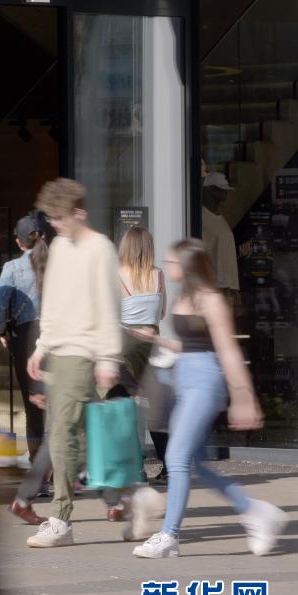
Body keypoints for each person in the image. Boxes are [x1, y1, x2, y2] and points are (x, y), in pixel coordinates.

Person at [131, 240, 287, 559]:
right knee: (197, 465)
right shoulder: (183, 296)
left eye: (172, 262)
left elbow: (226, 350)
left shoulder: (211, 300)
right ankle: (258, 513)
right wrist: (158, 339)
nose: (167, 266)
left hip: (205, 383)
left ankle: (169, 535)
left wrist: (244, 398)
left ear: (187, 265)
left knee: (175, 457)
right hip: (184, 380)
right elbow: (188, 346)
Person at [25, 178, 121, 548]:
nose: (56, 225)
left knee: (63, 432)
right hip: (60, 351)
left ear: (79, 212)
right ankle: (128, 494)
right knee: (75, 435)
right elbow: (53, 301)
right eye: (51, 219)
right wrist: (41, 346)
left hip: (83, 351)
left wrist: (107, 357)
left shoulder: (101, 249)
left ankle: (61, 517)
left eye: (61, 218)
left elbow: (108, 306)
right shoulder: (61, 246)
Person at [0, 212, 52, 526]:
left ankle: (36, 469)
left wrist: (1, 329)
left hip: (25, 339)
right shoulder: (60, 265)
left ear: (18, 241)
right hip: (58, 338)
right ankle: (60, 471)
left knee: (34, 409)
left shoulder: (12, 267)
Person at [114, 225, 168, 491]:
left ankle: (135, 468)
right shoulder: (158, 275)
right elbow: (163, 312)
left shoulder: (118, 276)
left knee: (128, 407)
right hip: (153, 344)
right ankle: (167, 465)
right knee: (154, 407)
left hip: (126, 345)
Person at [201, 172, 239, 296]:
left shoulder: (220, 218)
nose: (225, 193)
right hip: (212, 287)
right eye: (221, 189)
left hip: (226, 286)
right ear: (209, 190)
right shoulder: (200, 217)